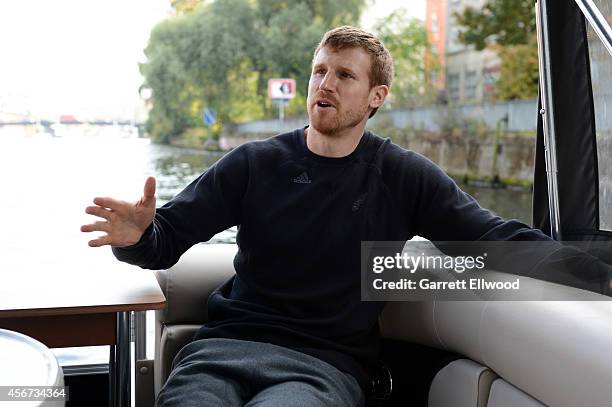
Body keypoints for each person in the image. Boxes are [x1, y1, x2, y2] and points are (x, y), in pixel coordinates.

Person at [81, 26, 611, 406]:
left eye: (343, 75)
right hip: (222, 349)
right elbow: (167, 240)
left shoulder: (403, 175)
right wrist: (137, 234)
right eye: (318, 71)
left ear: (376, 96)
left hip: (324, 367)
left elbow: (497, 237)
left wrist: (602, 274)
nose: (324, 84)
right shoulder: (253, 164)